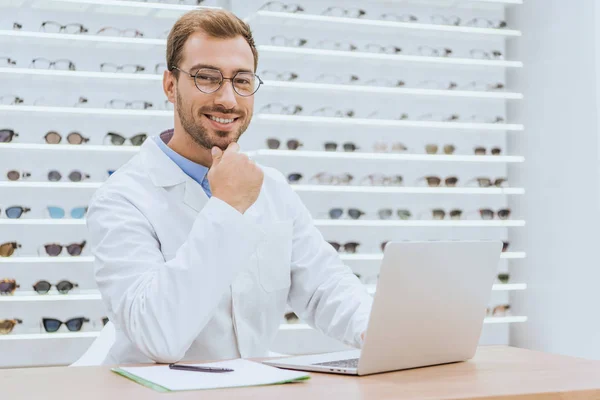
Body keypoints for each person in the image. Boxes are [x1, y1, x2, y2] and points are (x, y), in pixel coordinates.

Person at [87, 8, 372, 364]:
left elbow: (324, 287)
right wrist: (227, 207)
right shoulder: (122, 199)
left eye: (242, 80)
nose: (228, 99)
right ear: (170, 86)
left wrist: (379, 332)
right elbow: (158, 336)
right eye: (207, 77)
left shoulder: (273, 188)